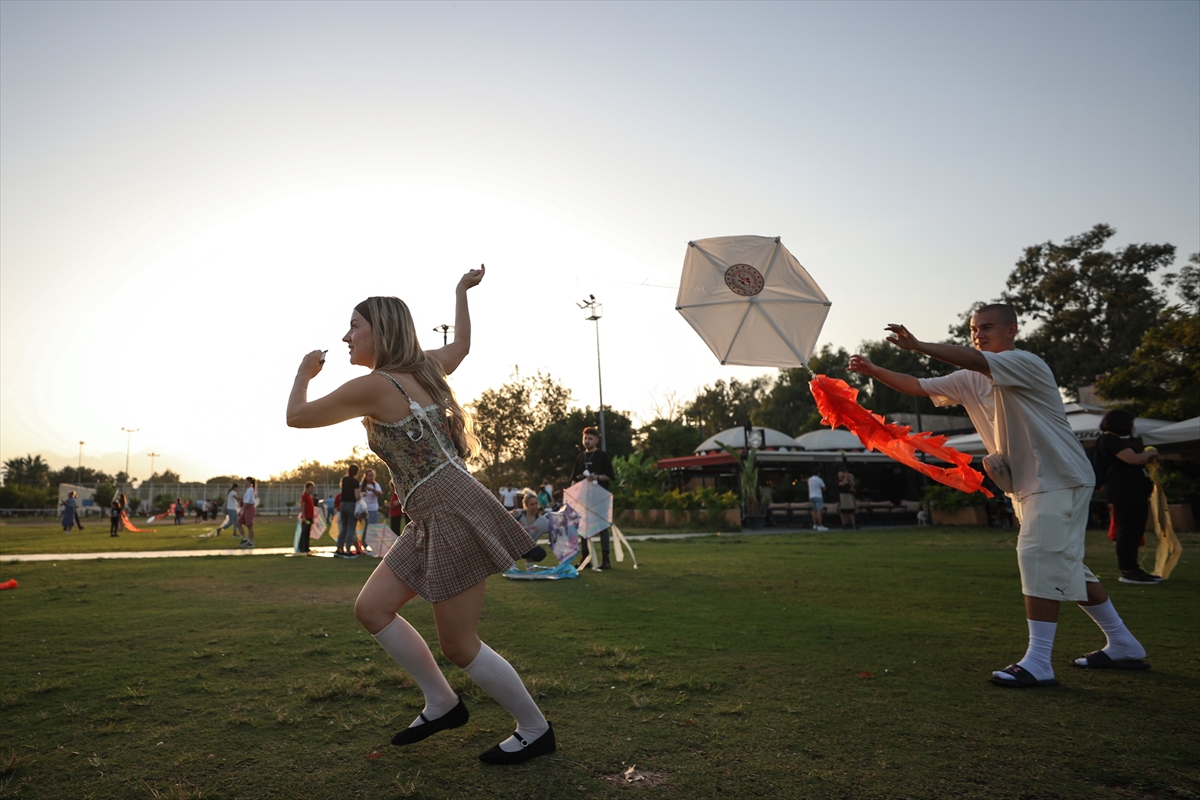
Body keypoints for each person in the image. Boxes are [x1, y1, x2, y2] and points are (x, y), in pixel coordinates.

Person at [285, 266, 555, 764]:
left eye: (354, 326)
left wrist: (303, 373)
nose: (346, 336)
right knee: (371, 608)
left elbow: (296, 416)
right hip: (432, 511)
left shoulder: (373, 385)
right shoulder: (426, 367)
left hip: (448, 508)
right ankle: (442, 701)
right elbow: (463, 348)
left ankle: (535, 728)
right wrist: (460, 293)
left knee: (459, 643)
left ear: (380, 331)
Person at [848, 303, 1150, 687]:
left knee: (1037, 557)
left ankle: (1039, 662)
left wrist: (919, 344)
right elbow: (918, 386)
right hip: (1029, 485)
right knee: (1067, 567)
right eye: (974, 329)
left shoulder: (1026, 363)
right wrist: (874, 371)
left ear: (1012, 330)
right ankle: (1124, 645)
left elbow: (975, 359)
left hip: (1058, 477)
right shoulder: (970, 378)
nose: (979, 334)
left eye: (987, 327)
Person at [1094, 409, 1161, 585]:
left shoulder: (1111, 441)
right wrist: (1150, 453)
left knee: (1135, 529)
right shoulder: (1110, 440)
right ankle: (1128, 570)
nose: (1132, 428)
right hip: (1125, 492)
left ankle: (1134, 568)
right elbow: (1133, 459)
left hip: (1132, 493)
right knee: (1129, 530)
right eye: (1130, 424)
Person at [571, 426, 614, 569]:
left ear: (596, 440)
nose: (587, 441)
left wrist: (597, 477)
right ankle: (585, 559)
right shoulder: (581, 457)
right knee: (583, 528)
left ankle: (605, 560)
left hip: (600, 498)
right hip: (584, 499)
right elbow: (574, 479)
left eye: (590, 438)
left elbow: (610, 476)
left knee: (602, 528)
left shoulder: (602, 456)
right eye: (585, 438)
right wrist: (572, 497)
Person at [510, 490, 549, 564]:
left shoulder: (543, 521)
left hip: (528, 549)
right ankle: (510, 565)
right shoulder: (519, 514)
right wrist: (510, 514)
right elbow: (503, 518)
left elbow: (554, 529)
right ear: (526, 505)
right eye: (532, 504)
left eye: (536, 503)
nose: (535, 506)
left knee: (541, 553)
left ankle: (529, 562)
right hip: (514, 547)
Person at [337, 465, 362, 558]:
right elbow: (357, 496)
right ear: (357, 472)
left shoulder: (344, 480)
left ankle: (339, 548)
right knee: (351, 528)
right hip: (351, 505)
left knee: (343, 528)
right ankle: (348, 550)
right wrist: (361, 494)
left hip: (343, 504)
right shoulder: (355, 482)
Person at [299, 482, 316, 554]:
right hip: (306, 517)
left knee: (307, 533)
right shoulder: (304, 496)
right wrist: (304, 517)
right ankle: (303, 548)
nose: (312, 490)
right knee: (304, 533)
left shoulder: (310, 497)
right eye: (311, 488)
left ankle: (305, 547)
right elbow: (302, 507)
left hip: (310, 517)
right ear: (307, 488)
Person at [240, 478, 258, 548]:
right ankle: (244, 539)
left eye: (246, 481)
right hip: (246, 508)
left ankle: (251, 542)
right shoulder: (248, 490)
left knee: (249, 525)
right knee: (238, 523)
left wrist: (241, 510)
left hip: (249, 508)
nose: (244, 482)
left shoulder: (251, 490)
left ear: (249, 482)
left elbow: (247, 502)